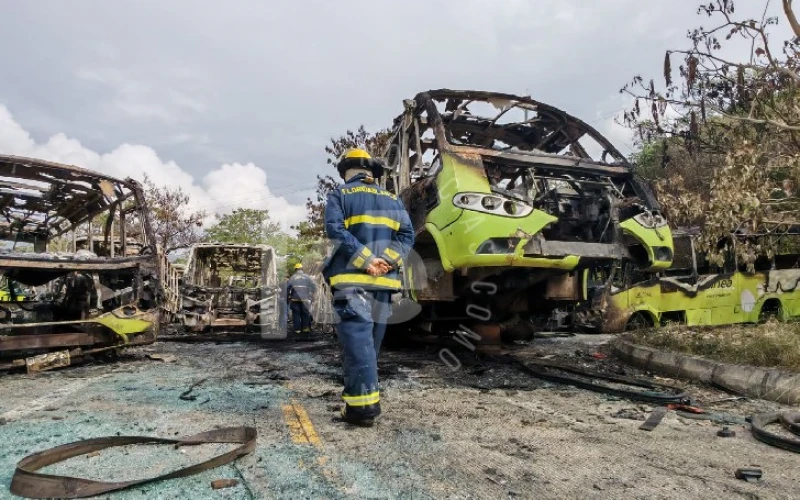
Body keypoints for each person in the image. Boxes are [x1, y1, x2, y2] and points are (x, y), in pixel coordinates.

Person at [323, 148, 414, 427]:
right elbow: (407, 234)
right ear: (371, 172)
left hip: (352, 281)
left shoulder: (339, 195)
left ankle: (362, 409)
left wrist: (366, 260)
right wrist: (385, 261)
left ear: (347, 171)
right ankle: (364, 402)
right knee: (369, 346)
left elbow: (336, 230)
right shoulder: (392, 200)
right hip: (383, 284)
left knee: (357, 345)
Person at [287, 263, 316, 334]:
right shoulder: (307, 277)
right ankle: (305, 328)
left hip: (295, 299)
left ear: (295, 270)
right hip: (305, 298)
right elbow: (314, 287)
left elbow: (287, 288)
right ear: (302, 269)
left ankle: (297, 330)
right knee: (305, 313)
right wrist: (311, 294)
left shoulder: (293, 277)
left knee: (296, 313)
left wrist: (288, 296)